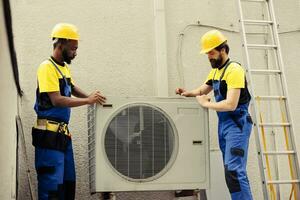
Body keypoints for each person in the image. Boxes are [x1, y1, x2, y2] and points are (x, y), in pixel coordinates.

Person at [32, 23, 106, 200]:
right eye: (73, 48)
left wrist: (91, 98)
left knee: (68, 184)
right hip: (48, 136)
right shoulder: (46, 67)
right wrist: (87, 101)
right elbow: (56, 100)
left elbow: (71, 87)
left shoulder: (63, 67)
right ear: (61, 44)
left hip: (62, 137)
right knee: (52, 188)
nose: (75, 52)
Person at [176, 29, 253, 200]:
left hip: (237, 124)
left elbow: (231, 104)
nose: (209, 57)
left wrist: (206, 103)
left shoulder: (234, 70)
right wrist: (187, 93)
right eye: (207, 54)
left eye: (211, 53)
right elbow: (202, 89)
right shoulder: (216, 71)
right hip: (225, 125)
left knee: (234, 171)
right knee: (231, 171)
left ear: (223, 50)